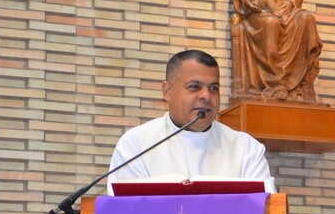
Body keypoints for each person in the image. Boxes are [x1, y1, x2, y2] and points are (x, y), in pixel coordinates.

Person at [108, 49, 275, 191]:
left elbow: (265, 211)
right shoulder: (137, 145)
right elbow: (126, 212)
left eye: (213, 88)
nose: (206, 96)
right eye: (194, 87)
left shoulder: (246, 149)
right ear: (167, 91)